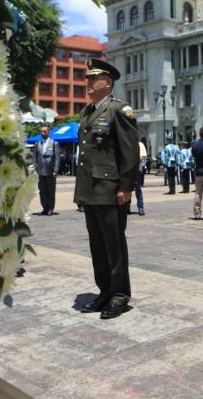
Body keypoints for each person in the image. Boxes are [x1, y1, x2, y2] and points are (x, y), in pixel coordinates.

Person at [74, 59, 139, 319]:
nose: (88, 82)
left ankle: (120, 295)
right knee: (97, 246)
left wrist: (125, 187)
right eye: (87, 78)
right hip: (91, 191)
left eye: (93, 79)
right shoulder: (87, 112)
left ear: (108, 83)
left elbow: (130, 152)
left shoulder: (119, 110)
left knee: (114, 245)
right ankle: (105, 291)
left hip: (111, 190)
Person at [33, 125, 61, 216]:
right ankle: (44, 208)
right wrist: (35, 169)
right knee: (42, 191)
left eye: (44, 131)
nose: (42, 133)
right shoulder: (37, 144)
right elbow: (35, 158)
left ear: (48, 132)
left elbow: (57, 158)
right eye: (41, 131)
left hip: (50, 171)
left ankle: (50, 208)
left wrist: (56, 170)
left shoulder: (54, 143)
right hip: (40, 171)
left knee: (50, 191)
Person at [134, 138, 147, 216]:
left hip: (137, 169)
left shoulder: (140, 144)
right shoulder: (126, 142)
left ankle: (140, 208)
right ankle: (126, 208)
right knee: (125, 188)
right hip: (126, 170)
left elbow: (141, 157)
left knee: (137, 189)